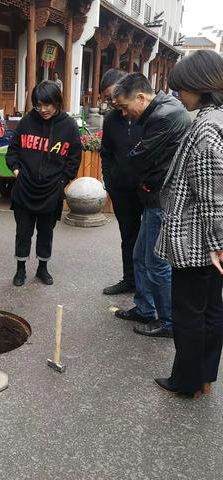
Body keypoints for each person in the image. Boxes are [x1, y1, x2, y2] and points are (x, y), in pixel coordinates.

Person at [154, 50, 223, 396]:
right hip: (206, 242)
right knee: (211, 310)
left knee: (190, 315)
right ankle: (204, 378)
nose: (178, 96)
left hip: (195, 242)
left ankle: (187, 382)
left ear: (201, 86)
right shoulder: (219, 120)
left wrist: (216, 244)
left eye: (182, 89)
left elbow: (212, 196)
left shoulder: (207, 128)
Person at [112, 73, 191, 338]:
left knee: (157, 263)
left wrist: (131, 168)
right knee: (140, 256)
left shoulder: (164, 116)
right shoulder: (161, 111)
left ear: (141, 97)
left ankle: (168, 321)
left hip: (161, 199)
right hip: (152, 197)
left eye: (125, 107)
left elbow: (138, 157)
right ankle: (144, 308)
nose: (125, 114)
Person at [5, 81, 81, 286]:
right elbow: (13, 150)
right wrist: (17, 170)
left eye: (47, 104)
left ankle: (42, 268)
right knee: (23, 232)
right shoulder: (27, 122)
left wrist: (62, 180)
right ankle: (20, 269)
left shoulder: (69, 126)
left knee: (46, 233)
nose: (43, 110)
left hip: (51, 190)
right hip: (25, 188)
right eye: (38, 105)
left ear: (57, 102)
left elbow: (74, 157)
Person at [100, 69, 143, 295]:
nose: (113, 102)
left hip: (148, 191)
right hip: (121, 190)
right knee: (128, 237)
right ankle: (130, 280)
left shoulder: (146, 115)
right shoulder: (111, 120)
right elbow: (106, 153)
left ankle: (149, 288)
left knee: (151, 241)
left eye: (115, 95)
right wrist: (109, 181)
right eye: (108, 98)